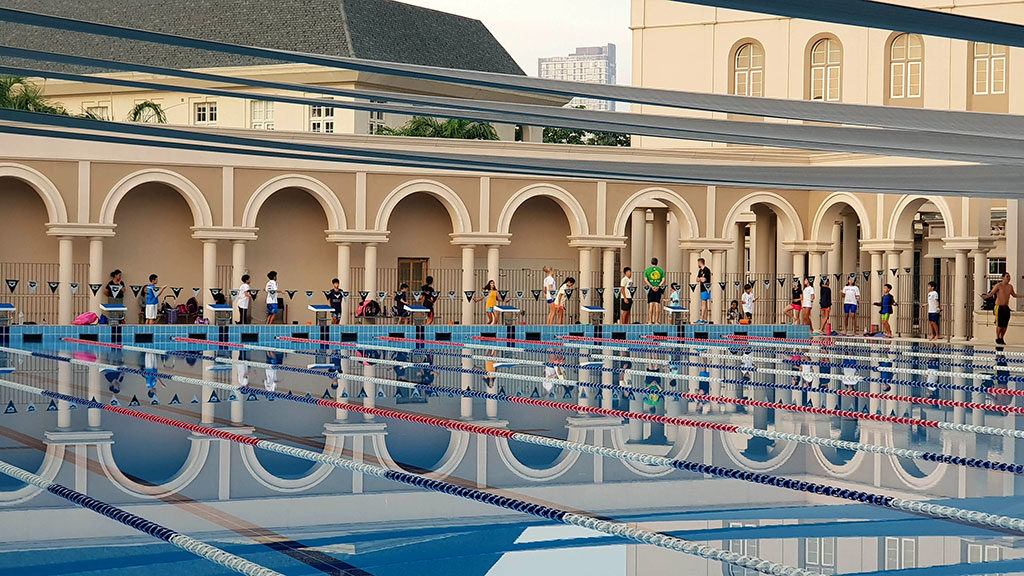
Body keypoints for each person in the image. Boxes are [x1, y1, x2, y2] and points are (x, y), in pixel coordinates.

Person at [982, 272, 1019, 345]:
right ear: (1003, 278)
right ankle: (997, 337)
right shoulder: (998, 285)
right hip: (999, 307)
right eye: (1007, 276)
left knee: (1005, 325)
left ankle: (1002, 338)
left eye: (1009, 277)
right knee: (999, 325)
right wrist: (985, 297)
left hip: (1006, 307)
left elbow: (1014, 295)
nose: (1009, 278)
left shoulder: (1010, 287)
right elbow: (991, 293)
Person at [644, 258, 666, 324]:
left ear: (651, 262)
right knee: (657, 305)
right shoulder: (661, 270)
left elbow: (645, 280)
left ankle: (650, 321)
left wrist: (651, 286)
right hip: (658, 289)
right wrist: (658, 286)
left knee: (651, 305)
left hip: (651, 289)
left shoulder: (647, 270)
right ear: (657, 262)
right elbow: (663, 280)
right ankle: (656, 321)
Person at [694, 258, 712, 323]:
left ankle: (702, 318)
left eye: (698, 263)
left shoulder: (707, 270)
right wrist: (700, 279)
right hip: (702, 288)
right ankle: (705, 319)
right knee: (705, 304)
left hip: (706, 288)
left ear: (700, 263)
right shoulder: (700, 271)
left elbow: (704, 279)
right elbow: (697, 279)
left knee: (703, 303)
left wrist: (701, 279)